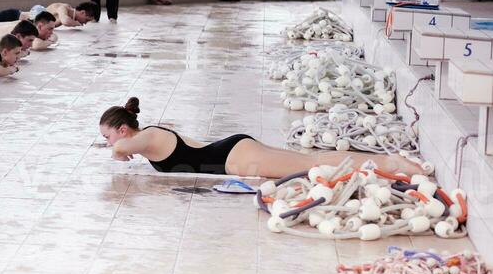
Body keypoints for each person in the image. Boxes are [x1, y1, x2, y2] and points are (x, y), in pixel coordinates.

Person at [99, 98, 422, 178]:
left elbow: (124, 148)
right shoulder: (148, 138)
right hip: (235, 152)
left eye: (108, 136)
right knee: (311, 164)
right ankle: (388, 165)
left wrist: (118, 151)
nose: (109, 142)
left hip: (236, 158)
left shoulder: (146, 136)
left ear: (124, 129)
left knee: (313, 165)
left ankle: (392, 163)